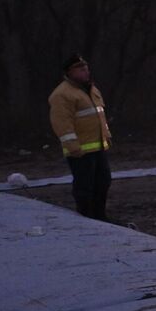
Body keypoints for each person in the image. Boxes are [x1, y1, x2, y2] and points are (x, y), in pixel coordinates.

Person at [47, 55, 113, 220]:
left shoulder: (91, 90)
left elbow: (100, 116)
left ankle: (100, 216)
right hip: (80, 151)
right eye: (80, 69)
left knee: (103, 182)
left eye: (86, 68)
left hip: (98, 146)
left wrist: (107, 135)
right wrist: (73, 146)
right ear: (70, 72)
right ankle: (86, 217)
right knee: (85, 185)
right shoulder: (62, 95)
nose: (86, 72)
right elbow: (62, 123)